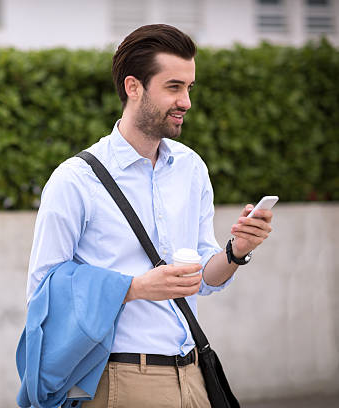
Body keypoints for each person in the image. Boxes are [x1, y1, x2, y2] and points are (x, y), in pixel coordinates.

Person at [25, 24, 274, 407]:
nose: (186, 101)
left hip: (194, 377)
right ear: (133, 87)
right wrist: (135, 288)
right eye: (173, 87)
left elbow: (202, 280)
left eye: (189, 88)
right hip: (121, 381)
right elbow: (43, 291)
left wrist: (237, 250)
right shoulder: (75, 180)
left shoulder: (191, 169)